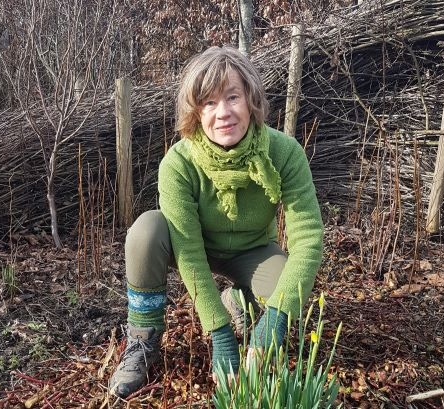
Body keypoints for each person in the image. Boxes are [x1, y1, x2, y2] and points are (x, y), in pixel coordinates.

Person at [108, 45, 324, 398]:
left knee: (290, 287)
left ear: (251, 99)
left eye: (232, 97)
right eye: (208, 102)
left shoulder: (284, 153)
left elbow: (309, 238)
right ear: (195, 112)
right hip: (192, 249)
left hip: (252, 251)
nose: (222, 113)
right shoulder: (178, 163)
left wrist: (277, 318)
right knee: (146, 230)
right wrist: (220, 333)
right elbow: (190, 254)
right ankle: (142, 340)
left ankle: (240, 302)